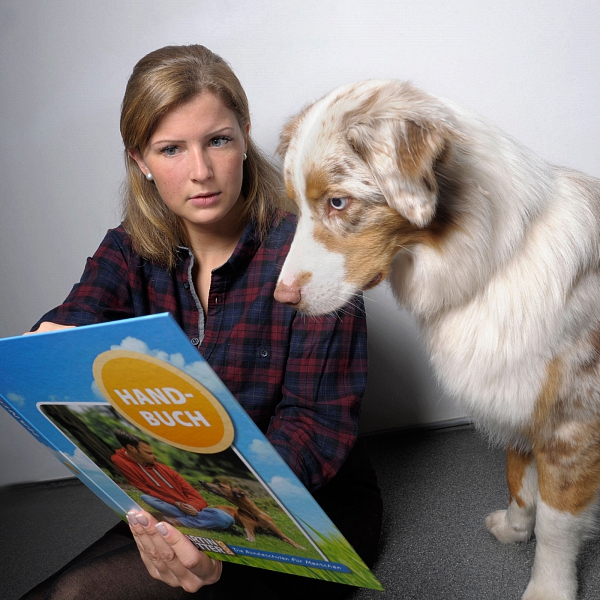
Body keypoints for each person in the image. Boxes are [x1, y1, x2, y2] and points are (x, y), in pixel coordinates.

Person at [21, 44, 382, 600]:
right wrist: (50, 353)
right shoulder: (127, 248)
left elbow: (316, 427)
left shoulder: (311, 251)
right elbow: (67, 324)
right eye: (170, 150)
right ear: (139, 160)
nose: (201, 172)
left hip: (307, 508)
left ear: (243, 136)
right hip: (185, 499)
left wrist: (213, 518)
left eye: (217, 140)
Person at [111, 429, 235, 531]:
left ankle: (180, 521)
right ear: (132, 449)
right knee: (146, 497)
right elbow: (144, 489)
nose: (155, 457)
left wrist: (192, 506)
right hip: (171, 506)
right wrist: (176, 503)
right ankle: (207, 523)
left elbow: (190, 491)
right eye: (149, 453)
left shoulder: (165, 469)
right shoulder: (119, 460)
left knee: (228, 519)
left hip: (191, 508)